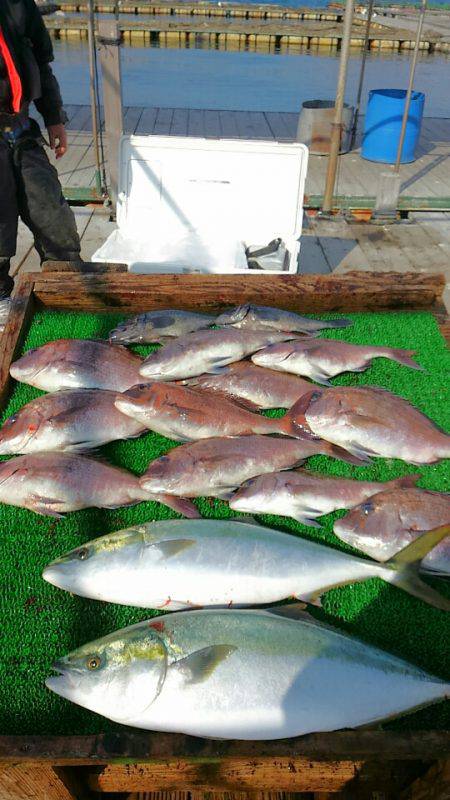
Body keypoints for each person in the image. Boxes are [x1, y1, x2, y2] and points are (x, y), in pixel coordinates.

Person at [0, 0, 82, 332]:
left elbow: (42, 64)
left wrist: (54, 118)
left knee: (52, 212)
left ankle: (67, 289)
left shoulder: (20, 5)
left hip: (19, 127)